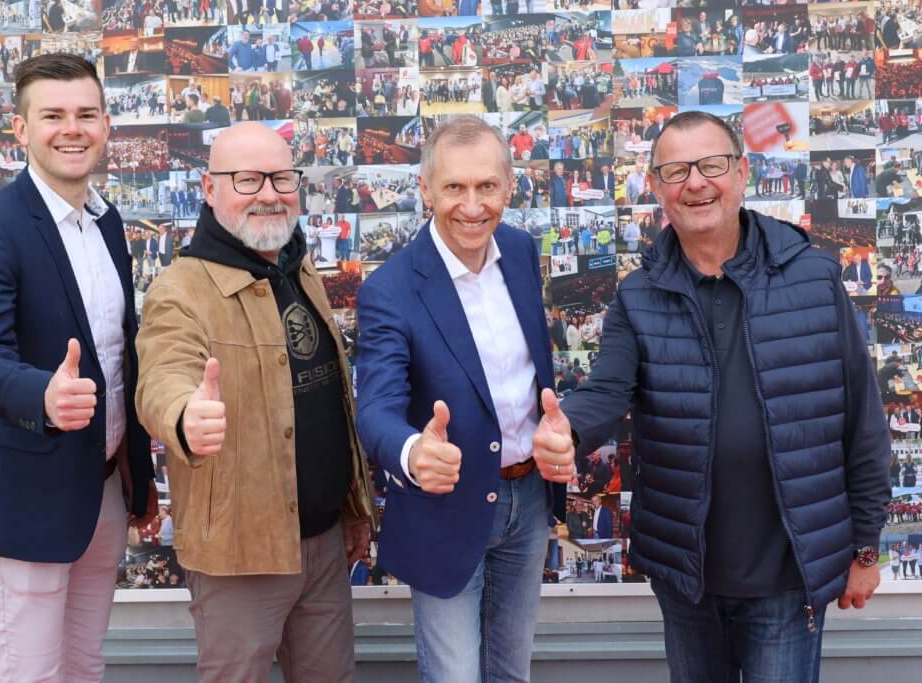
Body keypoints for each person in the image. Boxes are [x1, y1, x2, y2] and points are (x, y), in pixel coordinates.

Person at [558, 111, 891, 682]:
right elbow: (607, 391)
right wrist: (563, 431)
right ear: (656, 186)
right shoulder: (638, 296)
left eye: (711, 165)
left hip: (787, 576)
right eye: (676, 171)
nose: (696, 182)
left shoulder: (813, 276)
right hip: (686, 578)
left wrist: (865, 550)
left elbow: (862, 420)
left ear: (741, 172)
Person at [133, 122, 374, 683]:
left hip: (324, 543)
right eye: (247, 179)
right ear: (209, 188)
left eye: (281, 178)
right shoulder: (180, 289)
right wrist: (185, 416)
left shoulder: (300, 268)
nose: (269, 193)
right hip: (240, 557)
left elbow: (327, 401)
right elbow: (163, 375)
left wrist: (352, 508)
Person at [0, 53, 156, 683]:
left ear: (106, 124)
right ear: (21, 129)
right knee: (30, 674)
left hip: (104, 491)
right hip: (26, 496)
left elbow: (120, 356)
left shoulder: (108, 223)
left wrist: (137, 475)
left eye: (86, 114)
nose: (72, 129)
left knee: (84, 667)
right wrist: (43, 394)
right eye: (53, 115)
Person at [355, 115, 574, 682]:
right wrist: (412, 452)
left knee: (511, 674)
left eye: (487, 186)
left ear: (509, 187)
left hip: (529, 502)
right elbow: (375, 409)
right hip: (445, 510)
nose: (472, 206)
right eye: (454, 187)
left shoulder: (520, 252)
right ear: (426, 190)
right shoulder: (389, 290)